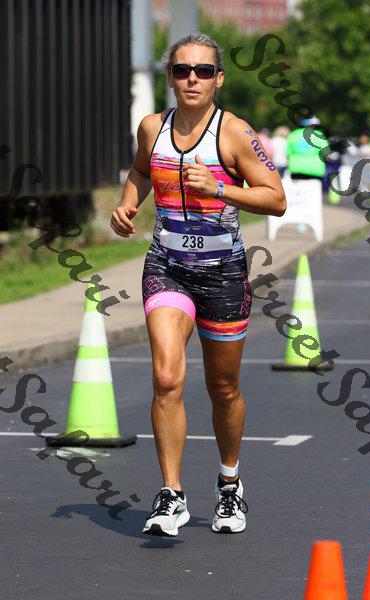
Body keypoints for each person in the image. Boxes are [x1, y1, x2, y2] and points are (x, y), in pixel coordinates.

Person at [110, 32, 286, 537]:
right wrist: (127, 205)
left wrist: (221, 188)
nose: (193, 79)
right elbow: (140, 172)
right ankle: (172, 494)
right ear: (170, 77)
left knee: (223, 388)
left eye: (203, 71)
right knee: (166, 377)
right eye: (183, 70)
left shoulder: (235, 133)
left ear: (218, 79)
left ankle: (229, 484)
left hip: (223, 272)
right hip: (167, 265)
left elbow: (275, 199)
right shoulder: (152, 127)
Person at [286, 116, 329, 181]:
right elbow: (326, 154)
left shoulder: (293, 134)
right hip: (316, 169)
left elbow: (288, 153)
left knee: (299, 187)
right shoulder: (319, 135)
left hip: (296, 168)